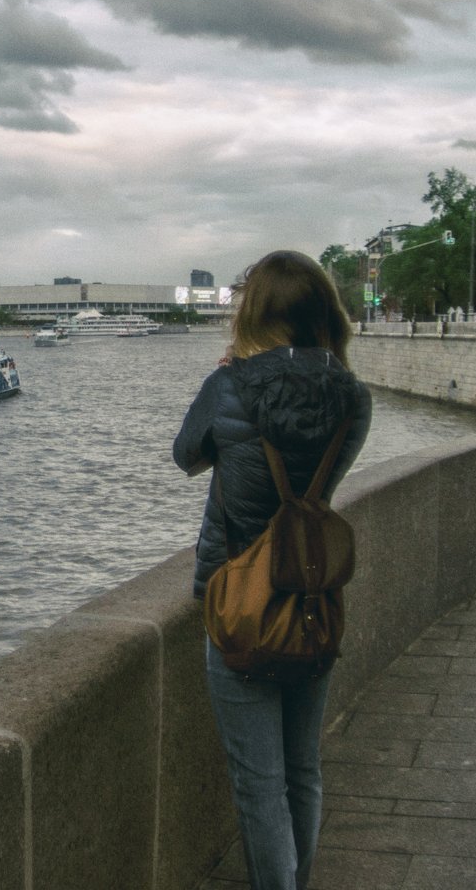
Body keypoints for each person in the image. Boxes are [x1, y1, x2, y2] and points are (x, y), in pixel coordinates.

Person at [172, 250, 372, 890]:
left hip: (238, 599)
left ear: (254, 312)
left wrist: (224, 380)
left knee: (258, 786)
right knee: (301, 771)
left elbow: (187, 455)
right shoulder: (353, 396)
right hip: (312, 594)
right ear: (323, 312)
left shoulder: (230, 387)